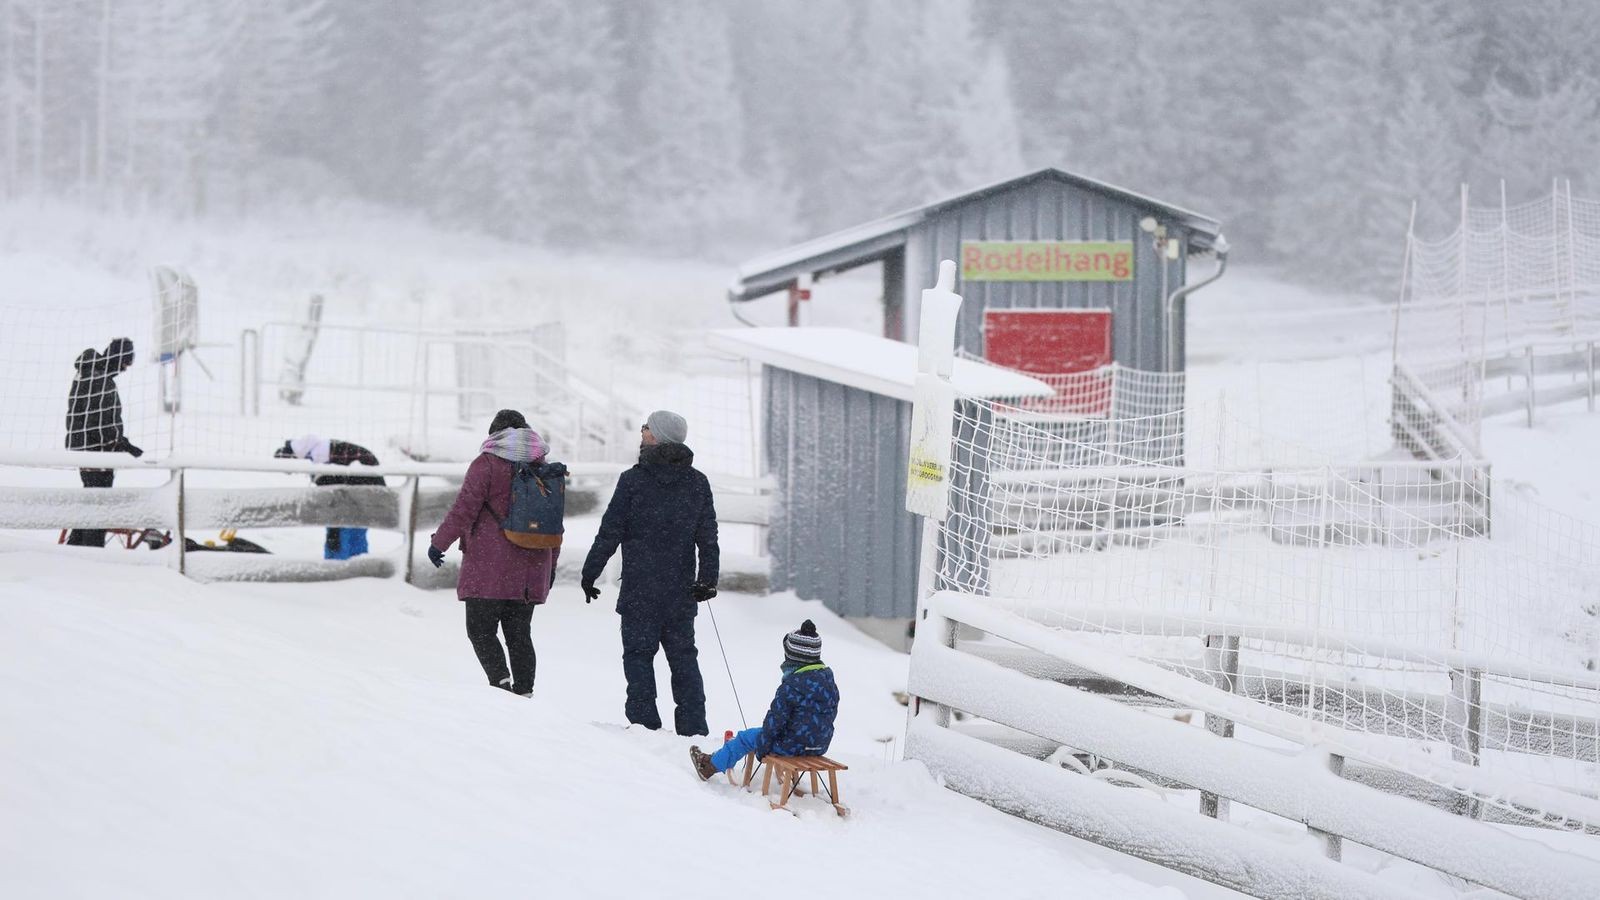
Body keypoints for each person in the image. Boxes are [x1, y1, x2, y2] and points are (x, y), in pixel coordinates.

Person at [582, 409, 719, 735]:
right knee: (684, 659)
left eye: (646, 427)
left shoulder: (634, 481)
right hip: (680, 591)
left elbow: (609, 531)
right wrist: (706, 581)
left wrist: (590, 572)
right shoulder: (697, 483)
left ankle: (644, 726)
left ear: (656, 436)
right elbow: (708, 538)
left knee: (638, 657)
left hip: (640, 589)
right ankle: (693, 728)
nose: (641, 431)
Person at [428, 409, 559, 697]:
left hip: (489, 566)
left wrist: (439, 543)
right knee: (519, 634)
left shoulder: (486, 464)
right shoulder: (543, 467)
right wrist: (551, 568)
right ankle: (524, 692)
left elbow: (465, 508)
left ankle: (500, 685)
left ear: (495, 434)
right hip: (531, 565)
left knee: (480, 630)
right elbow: (553, 523)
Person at [689, 619, 839, 780]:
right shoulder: (829, 682)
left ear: (791, 656)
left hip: (791, 745)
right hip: (819, 745)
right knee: (775, 733)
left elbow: (775, 721)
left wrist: (763, 746)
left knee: (746, 737)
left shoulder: (791, 686)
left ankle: (709, 765)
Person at [64, 338, 142, 547]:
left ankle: (75, 548)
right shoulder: (100, 381)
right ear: (118, 358)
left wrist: (121, 441)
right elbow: (101, 422)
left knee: (91, 500)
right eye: (126, 362)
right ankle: (92, 553)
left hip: (85, 448)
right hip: (96, 452)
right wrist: (120, 443)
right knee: (98, 505)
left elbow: (97, 419)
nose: (126, 368)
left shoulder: (88, 374)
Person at [273, 435, 384, 559]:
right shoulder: (321, 453)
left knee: (344, 529)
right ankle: (353, 563)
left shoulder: (323, 463)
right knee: (350, 529)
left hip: (361, 490)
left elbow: (332, 499)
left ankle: (343, 566)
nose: (292, 473)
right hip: (363, 489)